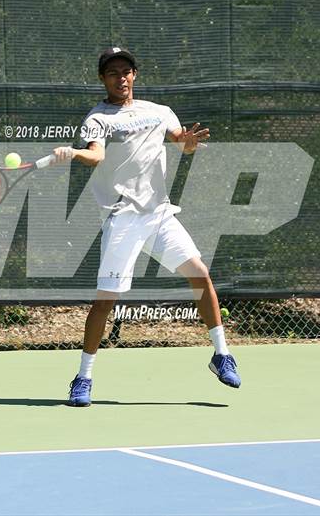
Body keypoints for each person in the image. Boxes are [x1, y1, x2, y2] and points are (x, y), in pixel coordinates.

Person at [53, 47, 241, 407]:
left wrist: (187, 145)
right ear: (102, 79)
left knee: (200, 273)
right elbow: (96, 155)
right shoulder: (97, 118)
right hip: (122, 218)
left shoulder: (159, 112)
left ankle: (221, 354)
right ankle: (83, 377)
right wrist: (75, 153)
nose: (120, 78)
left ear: (134, 75)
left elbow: (181, 143)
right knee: (105, 301)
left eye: (125, 71)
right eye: (112, 73)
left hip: (158, 215)